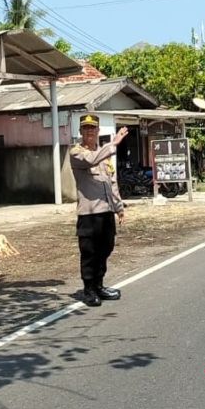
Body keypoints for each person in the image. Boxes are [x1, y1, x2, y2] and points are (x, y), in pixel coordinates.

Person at [69, 114, 129, 307]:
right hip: (89, 214)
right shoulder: (77, 152)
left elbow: (112, 183)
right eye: (86, 129)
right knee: (89, 252)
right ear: (81, 132)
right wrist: (114, 143)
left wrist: (119, 208)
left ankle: (99, 285)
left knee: (106, 248)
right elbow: (91, 160)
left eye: (93, 128)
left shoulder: (104, 156)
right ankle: (89, 289)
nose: (90, 132)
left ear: (98, 131)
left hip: (105, 211)